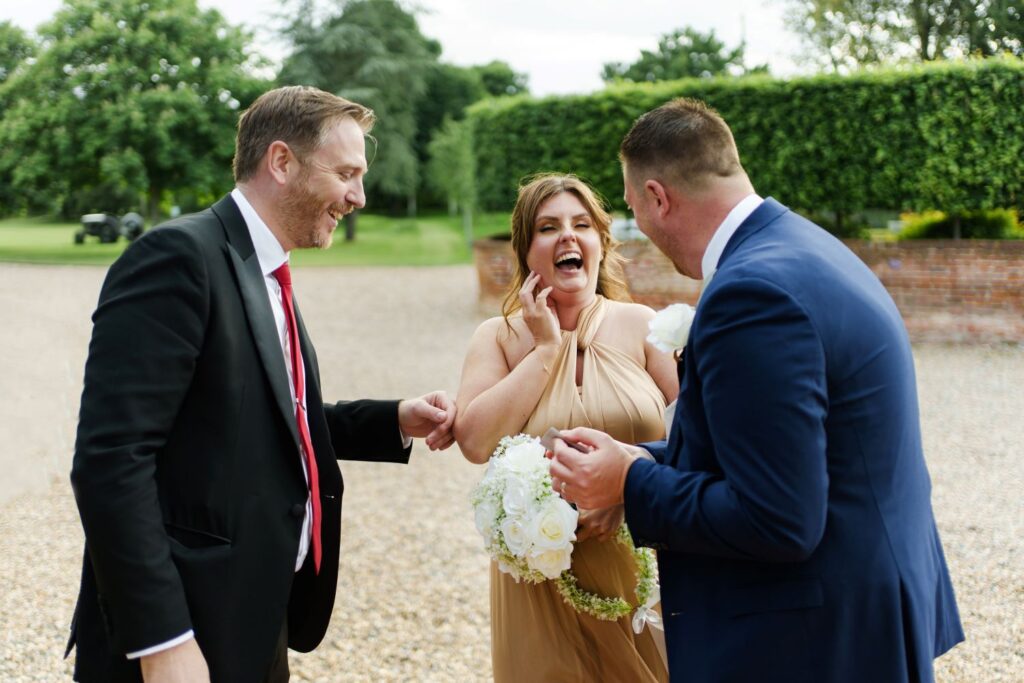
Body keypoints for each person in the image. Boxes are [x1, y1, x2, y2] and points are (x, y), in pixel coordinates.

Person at [548, 98, 964, 682]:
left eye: (632, 205)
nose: (637, 224)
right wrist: (644, 456)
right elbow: (777, 451)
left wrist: (630, 481)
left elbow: (778, 517)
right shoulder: (804, 246)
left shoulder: (752, 294)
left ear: (658, 197)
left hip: (814, 639)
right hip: (865, 600)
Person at [66, 85, 456, 683]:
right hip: (187, 627)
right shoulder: (178, 256)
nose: (359, 196)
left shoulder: (262, 267)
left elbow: (264, 414)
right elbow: (111, 459)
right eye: (347, 174)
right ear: (281, 162)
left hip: (258, 610)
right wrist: (162, 639)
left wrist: (390, 419)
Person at [454, 173, 678, 681]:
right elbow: (473, 440)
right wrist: (546, 349)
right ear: (526, 250)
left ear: (601, 242)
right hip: (537, 578)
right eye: (548, 227)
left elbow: (700, 432)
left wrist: (631, 487)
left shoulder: (643, 325)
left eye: (582, 225)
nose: (567, 237)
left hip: (639, 557)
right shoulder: (498, 337)